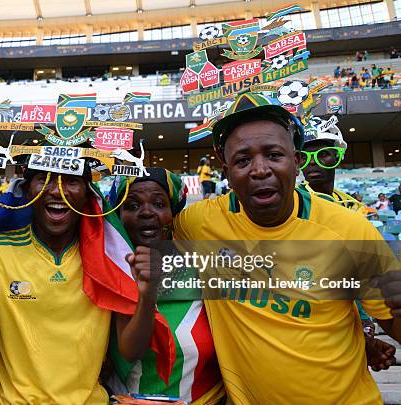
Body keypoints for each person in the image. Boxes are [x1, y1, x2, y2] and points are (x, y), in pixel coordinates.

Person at [172, 93, 401, 403]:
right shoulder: (198, 224)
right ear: (226, 173)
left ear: (296, 163)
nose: (260, 169)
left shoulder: (350, 230)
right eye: (242, 160)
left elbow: (393, 324)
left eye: (274, 155)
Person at [0, 163, 173, 404]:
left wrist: (147, 296)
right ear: (27, 190)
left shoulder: (109, 255)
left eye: (71, 180)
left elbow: (130, 351)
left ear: (87, 193)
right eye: (44, 179)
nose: (56, 190)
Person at [108, 168, 225, 404]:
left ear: (173, 214)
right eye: (132, 206)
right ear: (118, 216)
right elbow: (130, 351)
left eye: (159, 204)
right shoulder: (109, 269)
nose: (147, 212)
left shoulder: (202, 264)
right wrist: (147, 293)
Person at [299, 115, 396, 371]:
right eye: (305, 156)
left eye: (324, 155)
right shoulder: (293, 204)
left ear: (339, 156)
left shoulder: (353, 207)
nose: (313, 164)